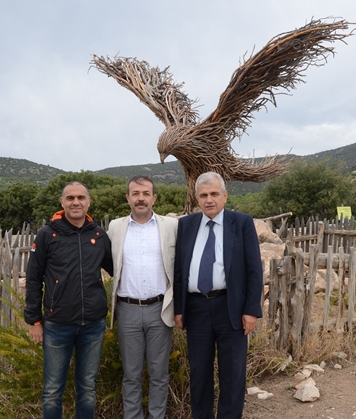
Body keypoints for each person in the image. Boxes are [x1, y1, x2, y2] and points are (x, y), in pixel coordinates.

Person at [173, 171, 263, 419]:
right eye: (203, 195)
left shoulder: (242, 223)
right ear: (196, 198)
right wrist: (179, 309)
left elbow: (254, 270)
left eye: (214, 194)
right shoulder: (186, 225)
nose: (209, 199)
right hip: (196, 309)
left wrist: (251, 310)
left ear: (225, 195)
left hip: (230, 308)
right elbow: (180, 270)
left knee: (232, 373)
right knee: (199, 373)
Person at [24, 181, 113, 419]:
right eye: (70, 198)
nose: (76, 202)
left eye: (81, 198)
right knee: (53, 389)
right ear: (62, 203)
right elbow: (33, 278)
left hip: (93, 325)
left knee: (87, 388)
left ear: (88, 202)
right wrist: (34, 321)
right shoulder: (47, 235)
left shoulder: (98, 235)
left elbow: (118, 269)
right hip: (57, 324)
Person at [107, 176, 178, 419]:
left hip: (160, 309)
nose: (141, 198)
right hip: (127, 310)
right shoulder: (115, 227)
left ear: (154, 198)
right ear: (127, 198)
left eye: (146, 193)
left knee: (159, 373)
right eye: (135, 193)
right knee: (131, 374)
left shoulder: (170, 226)